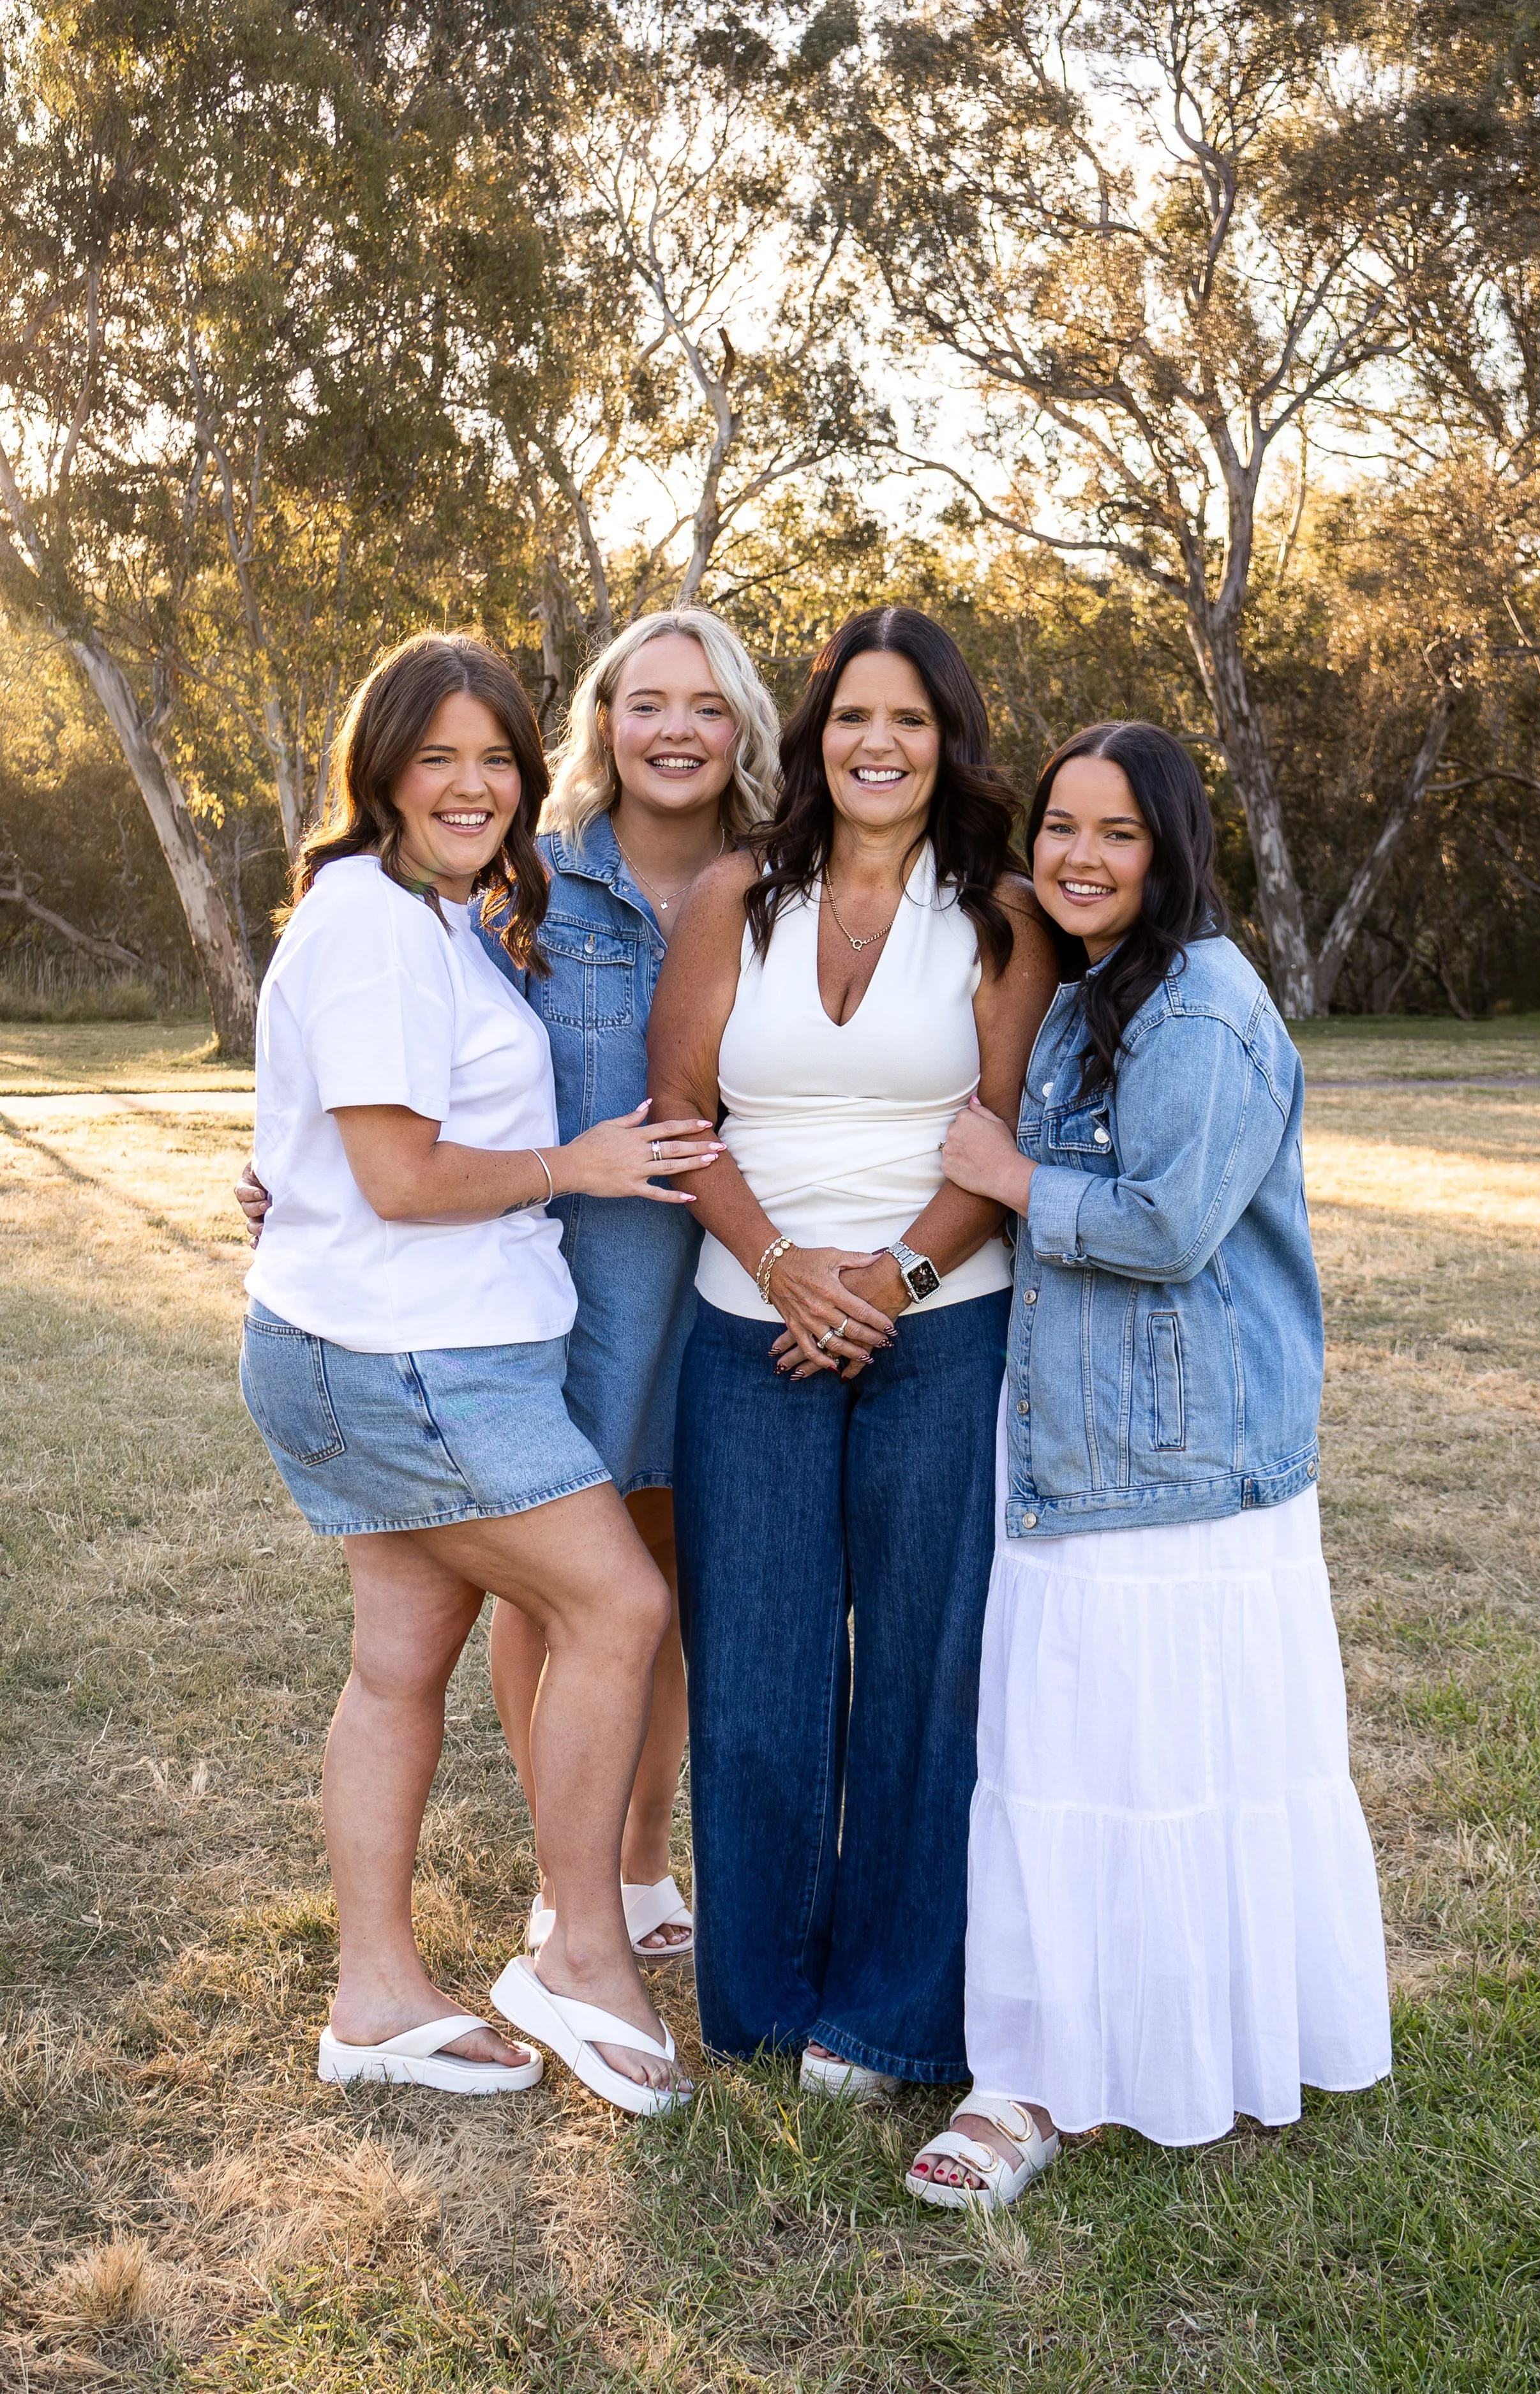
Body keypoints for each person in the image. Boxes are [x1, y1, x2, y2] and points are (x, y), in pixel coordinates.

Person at [906, 719, 1392, 2208]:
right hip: (1097, 1440)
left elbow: (1168, 1228)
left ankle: (1049, 2082)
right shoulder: (1102, 986)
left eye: (1116, 832)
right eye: (1059, 826)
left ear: (1172, 845)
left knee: (1130, 1759)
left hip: (1164, 1464)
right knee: (1094, 1757)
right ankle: (1076, 2058)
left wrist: (1007, 1179)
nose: (1078, 856)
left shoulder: (1193, 1010)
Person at [239, 630, 722, 2112]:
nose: (470, 784)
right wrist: (569, 1166)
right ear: (379, 769)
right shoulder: (379, 923)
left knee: (399, 1667)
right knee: (618, 1599)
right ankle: (579, 1947)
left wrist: (295, 1182)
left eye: (494, 758)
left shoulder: (427, 914)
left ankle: (375, 1998)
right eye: (435, 756)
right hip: (415, 1359)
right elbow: (395, 1172)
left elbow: (338, 1151)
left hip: (386, 1339)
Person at [648, 605, 1059, 2097]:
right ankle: (760, 2003)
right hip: (745, 1324)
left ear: (945, 741)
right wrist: (779, 1268)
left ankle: (887, 2017)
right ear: (814, 737)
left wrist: (886, 1276)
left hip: (939, 1330)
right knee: (754, 1677)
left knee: (919, 1675)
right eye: (850, 717)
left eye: (908, 719)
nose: (876, 744)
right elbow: (681, 1123)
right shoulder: (732, 898)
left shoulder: (1001, 917)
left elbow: (996, 1135)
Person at [472, 610, 781, 1960]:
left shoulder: (789, 884)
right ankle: (567, 1881)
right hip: (564, 1297)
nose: (673, 731)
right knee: (552, 1591)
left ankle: (644, 1871)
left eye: (706, 708)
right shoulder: (524, 885)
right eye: (645, 703)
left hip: (721, 1292)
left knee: (661, 1584)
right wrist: (294, 1172)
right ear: (603, 724)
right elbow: (425, 1066)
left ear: (743, 735)